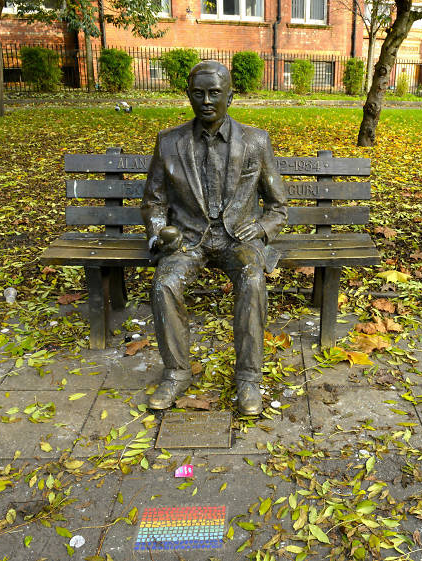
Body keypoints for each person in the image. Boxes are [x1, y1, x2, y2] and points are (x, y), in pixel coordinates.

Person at [141, 61, 287, 415]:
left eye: (215, 93)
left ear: (230, 96)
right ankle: (177, 373)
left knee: (253, 279)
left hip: (237, 240)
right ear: (188, 96)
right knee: (164, 285)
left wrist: (263, 228)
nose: (206, 100)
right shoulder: (169, 142)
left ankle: (249, 378)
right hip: (189, 240)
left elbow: (278, 206)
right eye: (198, 93)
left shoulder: (255, 141)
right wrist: (160, 231)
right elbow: (153, 201)